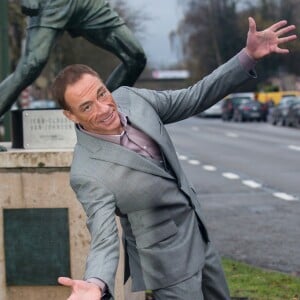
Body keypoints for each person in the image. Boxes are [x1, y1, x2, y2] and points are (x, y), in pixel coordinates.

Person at [52, 17, 296, 300]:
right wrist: (95, 283)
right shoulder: (86, 172)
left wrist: (247, 57)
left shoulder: (132, 98)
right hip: (166, 262)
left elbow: (194, 97)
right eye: (86, 106)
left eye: (101, 93)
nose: (104, 107)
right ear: (71, 115)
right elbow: (103, 237)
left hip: (199, 235)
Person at [0, 0, 146, 117]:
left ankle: (106, 117)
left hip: (89, 5)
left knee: (135, 57)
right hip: (51, 5)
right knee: (30, 66)